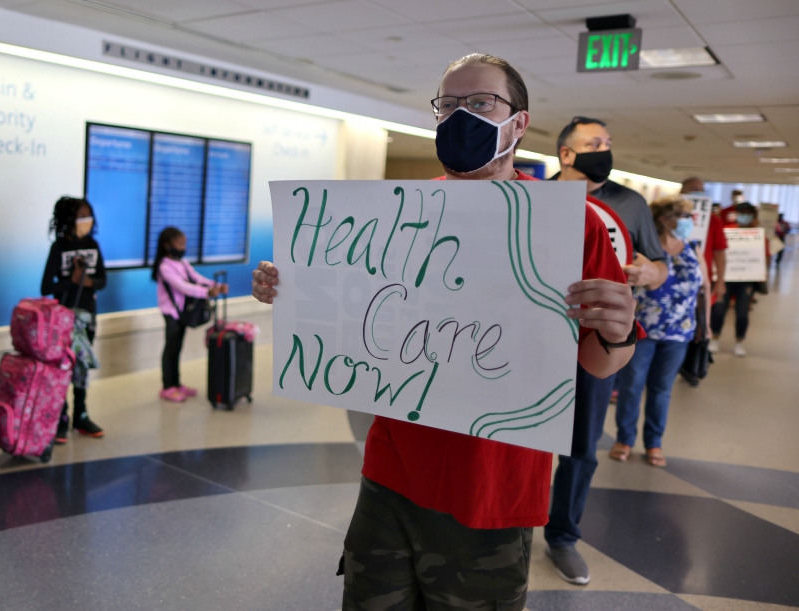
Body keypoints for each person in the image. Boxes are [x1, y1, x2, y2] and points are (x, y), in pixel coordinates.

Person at [252, 54, 638, 610]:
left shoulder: (566, 223)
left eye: (481, 104)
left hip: (491, 487)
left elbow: (602, 363)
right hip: (390, 472)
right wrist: (289, 288)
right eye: (449, 105)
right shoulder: (395, 210)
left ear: (519, 122)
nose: (462, 117)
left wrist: (618, 331)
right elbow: (356, 308)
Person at [543, 116, 669, 585]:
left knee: (582, 445)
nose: (605, 149)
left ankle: (563, 536)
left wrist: (647, 274)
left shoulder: (630, 203)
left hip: (598, 341)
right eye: (594, 143)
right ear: (567, 153)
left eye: (608, 143)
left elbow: (660, 266)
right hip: (537, 336)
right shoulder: (537, 196)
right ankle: (509, 522)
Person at [612, 197, 707, 468]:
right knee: (631, 386)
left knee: (661, 389)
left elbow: (705, 287)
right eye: (682, 215)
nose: (689, 221)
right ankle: (625, 439)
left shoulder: (693, 248)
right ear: (664, 219)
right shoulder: (644, 249)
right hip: (642, 328)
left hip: (680, 331)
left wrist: (706, 325)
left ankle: (654, 443)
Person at [41, 196, 107, 441]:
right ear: (68, 219)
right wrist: (72, 282)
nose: (86, 221)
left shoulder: (93, 244)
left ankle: (81, 414)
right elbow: (46, 286)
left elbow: (103, 280)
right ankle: (61, 416)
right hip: (64, 320)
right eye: (80, 216)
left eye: (88, 215)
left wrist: (89, 281)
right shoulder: (59, 248)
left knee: (82, 366)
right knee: (62, 368)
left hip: (88, 317)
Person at [152, 227, 227, 402]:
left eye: (184, 244)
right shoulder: (164, 267)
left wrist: (214, 285)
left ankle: (177, 384)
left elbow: (196, 278)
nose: (183, 247)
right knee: (171, 349)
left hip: (182, 312)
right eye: (180, 244)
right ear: (167, 245)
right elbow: (183, 287)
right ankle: (167, 386)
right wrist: (207, 293)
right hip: (171, 313)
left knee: (177, 348)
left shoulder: (183, 263)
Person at [711, 200, 760, 357]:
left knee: (742, 313)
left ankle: (739, 341)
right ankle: (715, 337)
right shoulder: (727, 230)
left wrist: (762, 272)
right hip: (725, 277)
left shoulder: (758, 235)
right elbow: (718, 251)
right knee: (718, 310)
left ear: (753, 216)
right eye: (742, 213)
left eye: (748, 214)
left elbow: (764, 257)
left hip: (746, 280)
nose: (744, 216)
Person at [681, 178, 727, 316]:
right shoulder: (666, 217)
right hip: (669, 277)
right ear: (682, 192)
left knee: (699, 319)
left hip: (701, 280)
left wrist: (720, 281)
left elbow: (720, 252)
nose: (699, 194)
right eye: (694, 189)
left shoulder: (714, 221)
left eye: (701, 191)